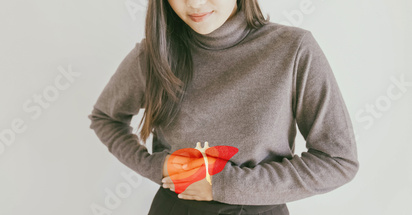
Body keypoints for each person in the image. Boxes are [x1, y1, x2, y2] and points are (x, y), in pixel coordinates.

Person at [88, 0, 359, 214]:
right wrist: (155, 166)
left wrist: (222, 185)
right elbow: (105, 118)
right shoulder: (153, 54)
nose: (194, 4)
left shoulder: (294, 49)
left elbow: (338, 161)